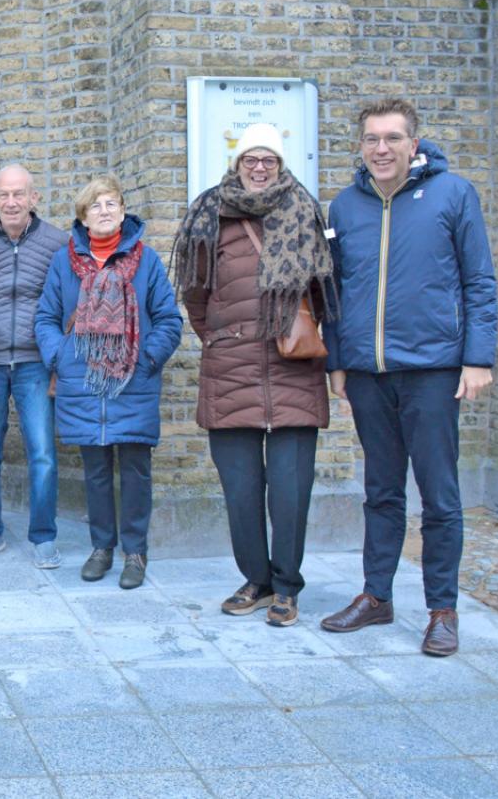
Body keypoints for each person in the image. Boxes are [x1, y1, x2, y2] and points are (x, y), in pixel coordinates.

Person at [319, 98, 498, 657]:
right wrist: (338, 361)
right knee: (381, 491)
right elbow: (335, 293)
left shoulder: (453, 195)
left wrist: (479, 358)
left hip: (433, 371)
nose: (381, 149)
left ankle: (442, 610)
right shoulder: (345, 207)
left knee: (440, 496)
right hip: (369, 374)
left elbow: (479, 282)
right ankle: (377, 596)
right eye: (372, 139)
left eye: (392, 138)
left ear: (413, 144)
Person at [172, 124, 334, 627]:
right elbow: (196, 296)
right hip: (230, 370)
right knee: (241, 490)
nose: (259, 167)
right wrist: (225, 338)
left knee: (290, 491)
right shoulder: (209, 213)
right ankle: (257, 580)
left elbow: (327, 292)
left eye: (269, 160)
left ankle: (287, 587)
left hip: (294, 368)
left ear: (281, 165)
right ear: (237, 164)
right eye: (250, 160)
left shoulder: (305, 211)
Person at [35, 173, 181, 589]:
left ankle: (135, 552)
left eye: (111, 203)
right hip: (81, 382)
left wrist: (147, 357)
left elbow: (170, 319)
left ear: (122, 211)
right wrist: (61, 358)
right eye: (95, 205)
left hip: (133, 381)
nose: (104, 211)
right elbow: (46, 317)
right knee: (95, 471)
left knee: (136, 470)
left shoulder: (146, 260)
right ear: (83, 215)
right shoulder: (65, 262)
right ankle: (102, 548)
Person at [0, 164, 65, 568]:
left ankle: (43, 535)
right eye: (4, 194)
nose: (12, 201)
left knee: (43, 454)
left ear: (34, 197)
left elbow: (66, 304)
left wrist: (58, 356)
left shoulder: (57, 243)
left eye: (20, 193)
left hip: (36, 361)